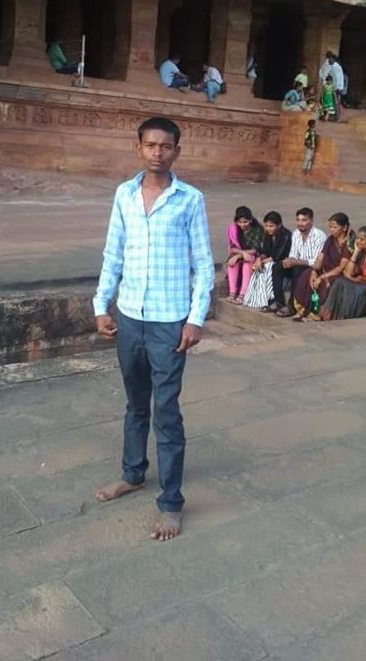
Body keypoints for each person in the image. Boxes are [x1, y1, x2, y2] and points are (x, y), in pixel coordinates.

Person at [93, 116, 214, 541]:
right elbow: (113, 254)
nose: (157, 152)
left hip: (169, 323)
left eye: (165, 146)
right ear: (139, 148)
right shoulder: (124, 195)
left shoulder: (190, 200)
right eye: (150, 145)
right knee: (135, 404)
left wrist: (195, 319)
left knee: (166, 410)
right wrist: (101, 305)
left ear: (176, 151)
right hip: (129, 317)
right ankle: (132, 473)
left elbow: (203, 265)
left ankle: (171, 502)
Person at [293, 212, 355, 321]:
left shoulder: (349, 243)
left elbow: (341, 267)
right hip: (326, 270)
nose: (331, 230)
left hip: (340, 274)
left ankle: (317, 313)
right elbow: (321, 257)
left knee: (326, 282)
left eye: (334, 227)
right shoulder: (330, 239)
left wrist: (322, 277)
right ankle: (303, 309)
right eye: (330, 227)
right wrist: (314, 271)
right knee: (306, 274)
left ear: (344, 227)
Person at [275, 207, 326, 318]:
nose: (300, 223)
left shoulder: (319, 236)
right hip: (298, 264)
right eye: (298, 220)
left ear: (311, 221)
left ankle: (292, 306)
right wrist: (289, 261)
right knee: (277, 266)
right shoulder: (296, 234)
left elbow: (316, 261)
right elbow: (293, 254)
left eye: (304, 220)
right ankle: (278, 301)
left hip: (312, 268)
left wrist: (296, 262)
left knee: (297, 270)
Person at [243, 212, 291, 310]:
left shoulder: (286, 236)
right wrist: (259, 259)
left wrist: (263, 262)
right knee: (257, 267)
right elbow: (264, 251)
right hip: (270, 261)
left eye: (271, 226)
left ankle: (272, 300)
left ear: (279, 225)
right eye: (266, 226)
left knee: (268, 267)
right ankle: (257, 299)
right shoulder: (268, 235)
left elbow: (278, 256)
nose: (268, 228)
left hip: (283, 264)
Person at [226, 206, 264, 304]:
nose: (242, 225)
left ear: (250, 220)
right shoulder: (234, 229)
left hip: (254, 255)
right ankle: (232, 293)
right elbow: (232, 248)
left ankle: (243, 294)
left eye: (245, 222)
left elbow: (255, 249)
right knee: (232, 263)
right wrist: (241, 254)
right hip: (239, 253)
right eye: (240, 222)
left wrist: (240, 255)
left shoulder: (257, 230)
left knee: (247, 263)